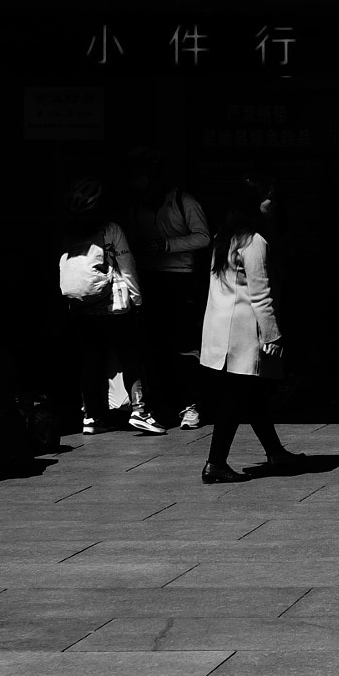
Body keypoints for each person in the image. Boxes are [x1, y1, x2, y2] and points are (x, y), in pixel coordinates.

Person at [197, 172, 304, 484]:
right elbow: (260, 293)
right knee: (236, 397)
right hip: (243, 332)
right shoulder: (255, 242)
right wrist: (273, 334)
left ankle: (275, 453)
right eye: (269, 196)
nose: (273, 202)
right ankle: (215, 463)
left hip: (221, 328)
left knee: (252, 396)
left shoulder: (225, 237)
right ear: (256, 203)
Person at [127, 148, 211, 430]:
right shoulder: (138, 205)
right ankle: (164, 404)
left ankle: (191, 405)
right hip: (151, 277)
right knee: (156, 346)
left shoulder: (181, 200)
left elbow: (203, 237)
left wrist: (167, 245)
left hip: (181, 278)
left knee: (184, 346)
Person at [56, 176, 146, 434]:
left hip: (81, 308)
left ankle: (92, 416)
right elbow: (127, 269)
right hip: (113, 306)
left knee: (91, 360)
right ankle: (141, 411)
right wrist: (138, 300)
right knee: (129, 355)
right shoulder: (111, 229)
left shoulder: (69, 233)